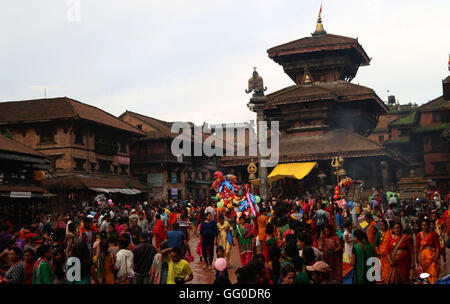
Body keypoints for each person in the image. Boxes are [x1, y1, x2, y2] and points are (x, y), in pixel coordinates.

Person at [415, 219, 440, 284]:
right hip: (423, 258)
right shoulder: (419, 235)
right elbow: (417, 247)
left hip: (432, 258)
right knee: (425, 274)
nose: (424, 227)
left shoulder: (434, 234)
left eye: (425, 225)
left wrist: (436, 257)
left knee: (433, 273)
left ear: (429, 226)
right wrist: (416, 258)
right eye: (422, 225)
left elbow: (437, 247)